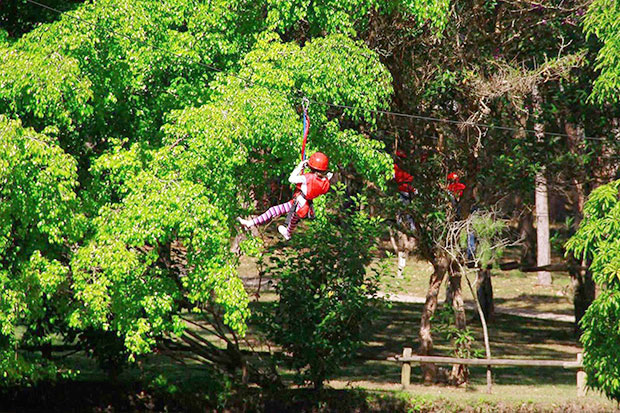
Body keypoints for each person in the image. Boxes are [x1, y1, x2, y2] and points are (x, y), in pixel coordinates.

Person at [237, 152, 333, 240]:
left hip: (299, 202)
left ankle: (250, 223)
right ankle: (288, 233)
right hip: (306, 205)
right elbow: (325, 177)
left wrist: (299, 167)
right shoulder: (325, 182)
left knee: (273, 210)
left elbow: (291, 179)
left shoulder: (307, 178)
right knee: (294, 218)